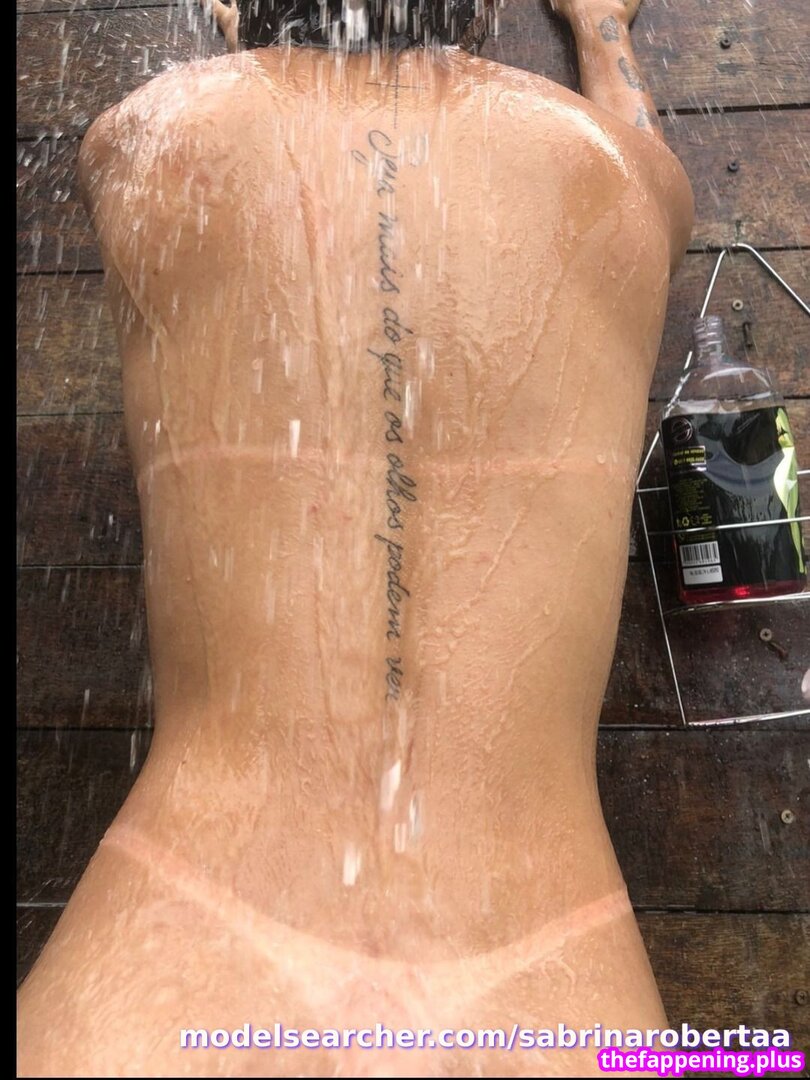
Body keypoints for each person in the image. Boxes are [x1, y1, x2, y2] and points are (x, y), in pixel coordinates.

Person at [17, 0, 694, 1074]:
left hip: (178, 921)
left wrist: (255, 51)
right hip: (549, 960)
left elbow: (254, 133)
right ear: (481, 9)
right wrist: (601, 31)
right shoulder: (626, 176)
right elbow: (649, 167)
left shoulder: (145, 141)